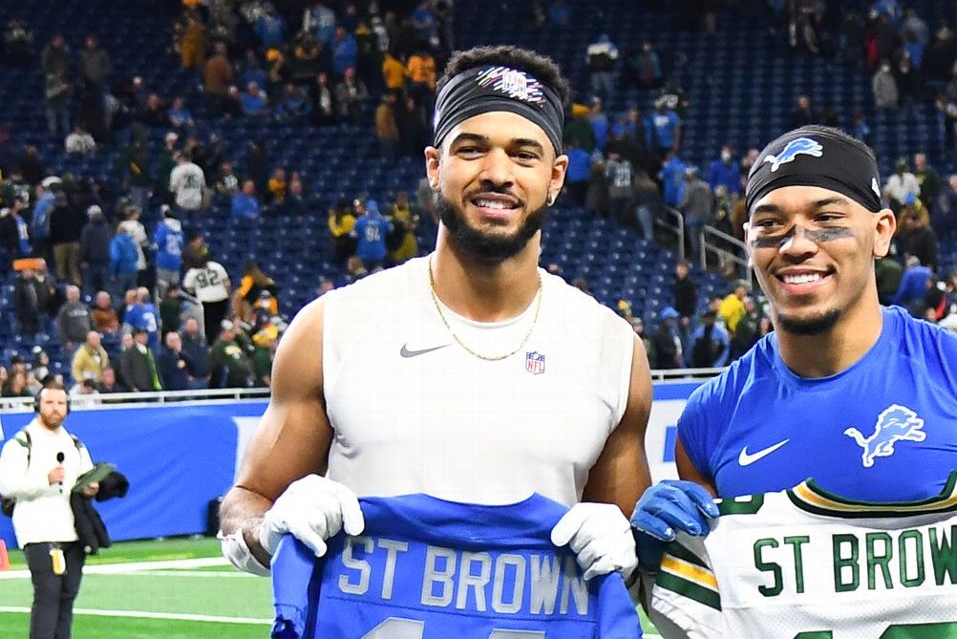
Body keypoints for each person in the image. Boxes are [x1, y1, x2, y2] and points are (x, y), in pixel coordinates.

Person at [632, 126, 957, 624]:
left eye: (827, 219)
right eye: (770, 224)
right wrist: (653, 566)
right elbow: (707, 618)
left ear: (881, 233)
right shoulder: (710, 418)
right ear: (747, 242)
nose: (796, 244)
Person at [217, 46, 652, 608]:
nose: (497, 173)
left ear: (556, 177)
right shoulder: (335, 328)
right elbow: (245, 503)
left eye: (524, 155)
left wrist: (633, 547)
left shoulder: (611, 350)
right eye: (472, 149)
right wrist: (269, 527)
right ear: (434, 165)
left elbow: (633, 563)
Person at [0, 386, 98, 639]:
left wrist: (91, 487)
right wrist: (45, 479)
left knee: (67, 597)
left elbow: (86, 476)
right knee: (48, 595)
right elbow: (7, 485)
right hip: (38, 529)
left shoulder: (74, 442)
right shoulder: (22, 442)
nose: (56, 408)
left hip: (72, 531)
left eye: (61, 403)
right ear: (37, 405)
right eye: (50, 402)